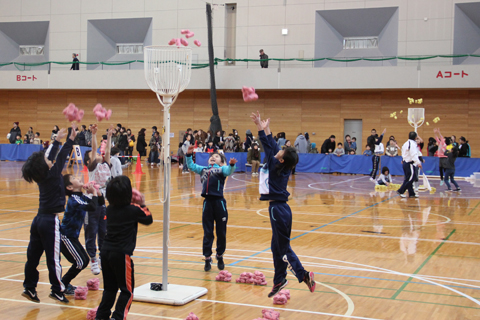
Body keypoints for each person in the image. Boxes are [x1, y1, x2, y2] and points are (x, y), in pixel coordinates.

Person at [250, 111, 315, 298]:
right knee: (276, 246)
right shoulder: (280, 164)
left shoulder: (275, 165)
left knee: (283, 248)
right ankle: (279, 280)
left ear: (281, 158)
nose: (278, 148)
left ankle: (303, 275)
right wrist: (265, 127)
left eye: (281, 150)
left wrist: (261, 128)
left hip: (277, 210)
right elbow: (271, 145)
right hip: (283, 209)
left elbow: (268, 144)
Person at [21, 124, 76, 304]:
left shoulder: (42, 175)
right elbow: (59, 156)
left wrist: (57, 139)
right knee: (54, 258)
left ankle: (29, 287)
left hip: (38, 219)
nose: (48, 159)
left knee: (33, 257)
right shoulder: (52, 174)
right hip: (50, 221)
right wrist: (69, 140)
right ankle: (57, 290)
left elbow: (50, 156)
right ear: (44, 166)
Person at [95, 176, 153, 320]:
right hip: (121, 254)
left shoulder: (109, 209)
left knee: (109, 289)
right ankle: (118, 317)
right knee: (127, 291)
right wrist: (142, 203)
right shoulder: (133, 209)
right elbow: (148, 218)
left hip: (105, 252)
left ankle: (101, 316)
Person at [185, 146, 237, 271]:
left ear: (221, 162)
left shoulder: (222, 170)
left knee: (221, 232)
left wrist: (231, 165)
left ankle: (220, 255)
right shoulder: (203, 170)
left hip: (219, 204)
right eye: (211, 157)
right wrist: (188, 154)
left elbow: (229, 171)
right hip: (207, 204)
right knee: (208, 232)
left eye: (217, 156)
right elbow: (191, 166)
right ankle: (207, 257)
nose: (213, 157)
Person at [61, 174, 101, 295]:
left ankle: (64, 283)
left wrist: (96, 192)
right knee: (80, 262)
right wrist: (93, 193)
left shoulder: (81, 196)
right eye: (73, 178)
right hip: (65, 237)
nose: (78, 178)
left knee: (84, 260)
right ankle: (62, 284)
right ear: (69, 187)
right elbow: (92, 207)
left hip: (72, 237)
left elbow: (99, 203)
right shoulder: (74, 198)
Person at [83, 124, 114, 275]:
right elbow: (95, 149)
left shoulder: (105, 165)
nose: (97, 154)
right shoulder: (93, 167)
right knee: (91, 232)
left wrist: (109, 136)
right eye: (93, 154)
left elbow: (107, 150)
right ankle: (93, 259)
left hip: (102, 204)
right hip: (91, 203)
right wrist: (94, 135)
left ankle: (102, 257)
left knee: (103, 231)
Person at [397, 132, 422, 198]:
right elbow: (413, 154)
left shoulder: (405, 143)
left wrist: (403, 159)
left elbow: (403, 152)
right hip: (409, 163)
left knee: (408, 178)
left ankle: (411, 193)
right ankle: (401, 191)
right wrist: (418, 162)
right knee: (411, 178)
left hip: (405, 162)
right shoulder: (412, 144)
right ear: (415, 137)